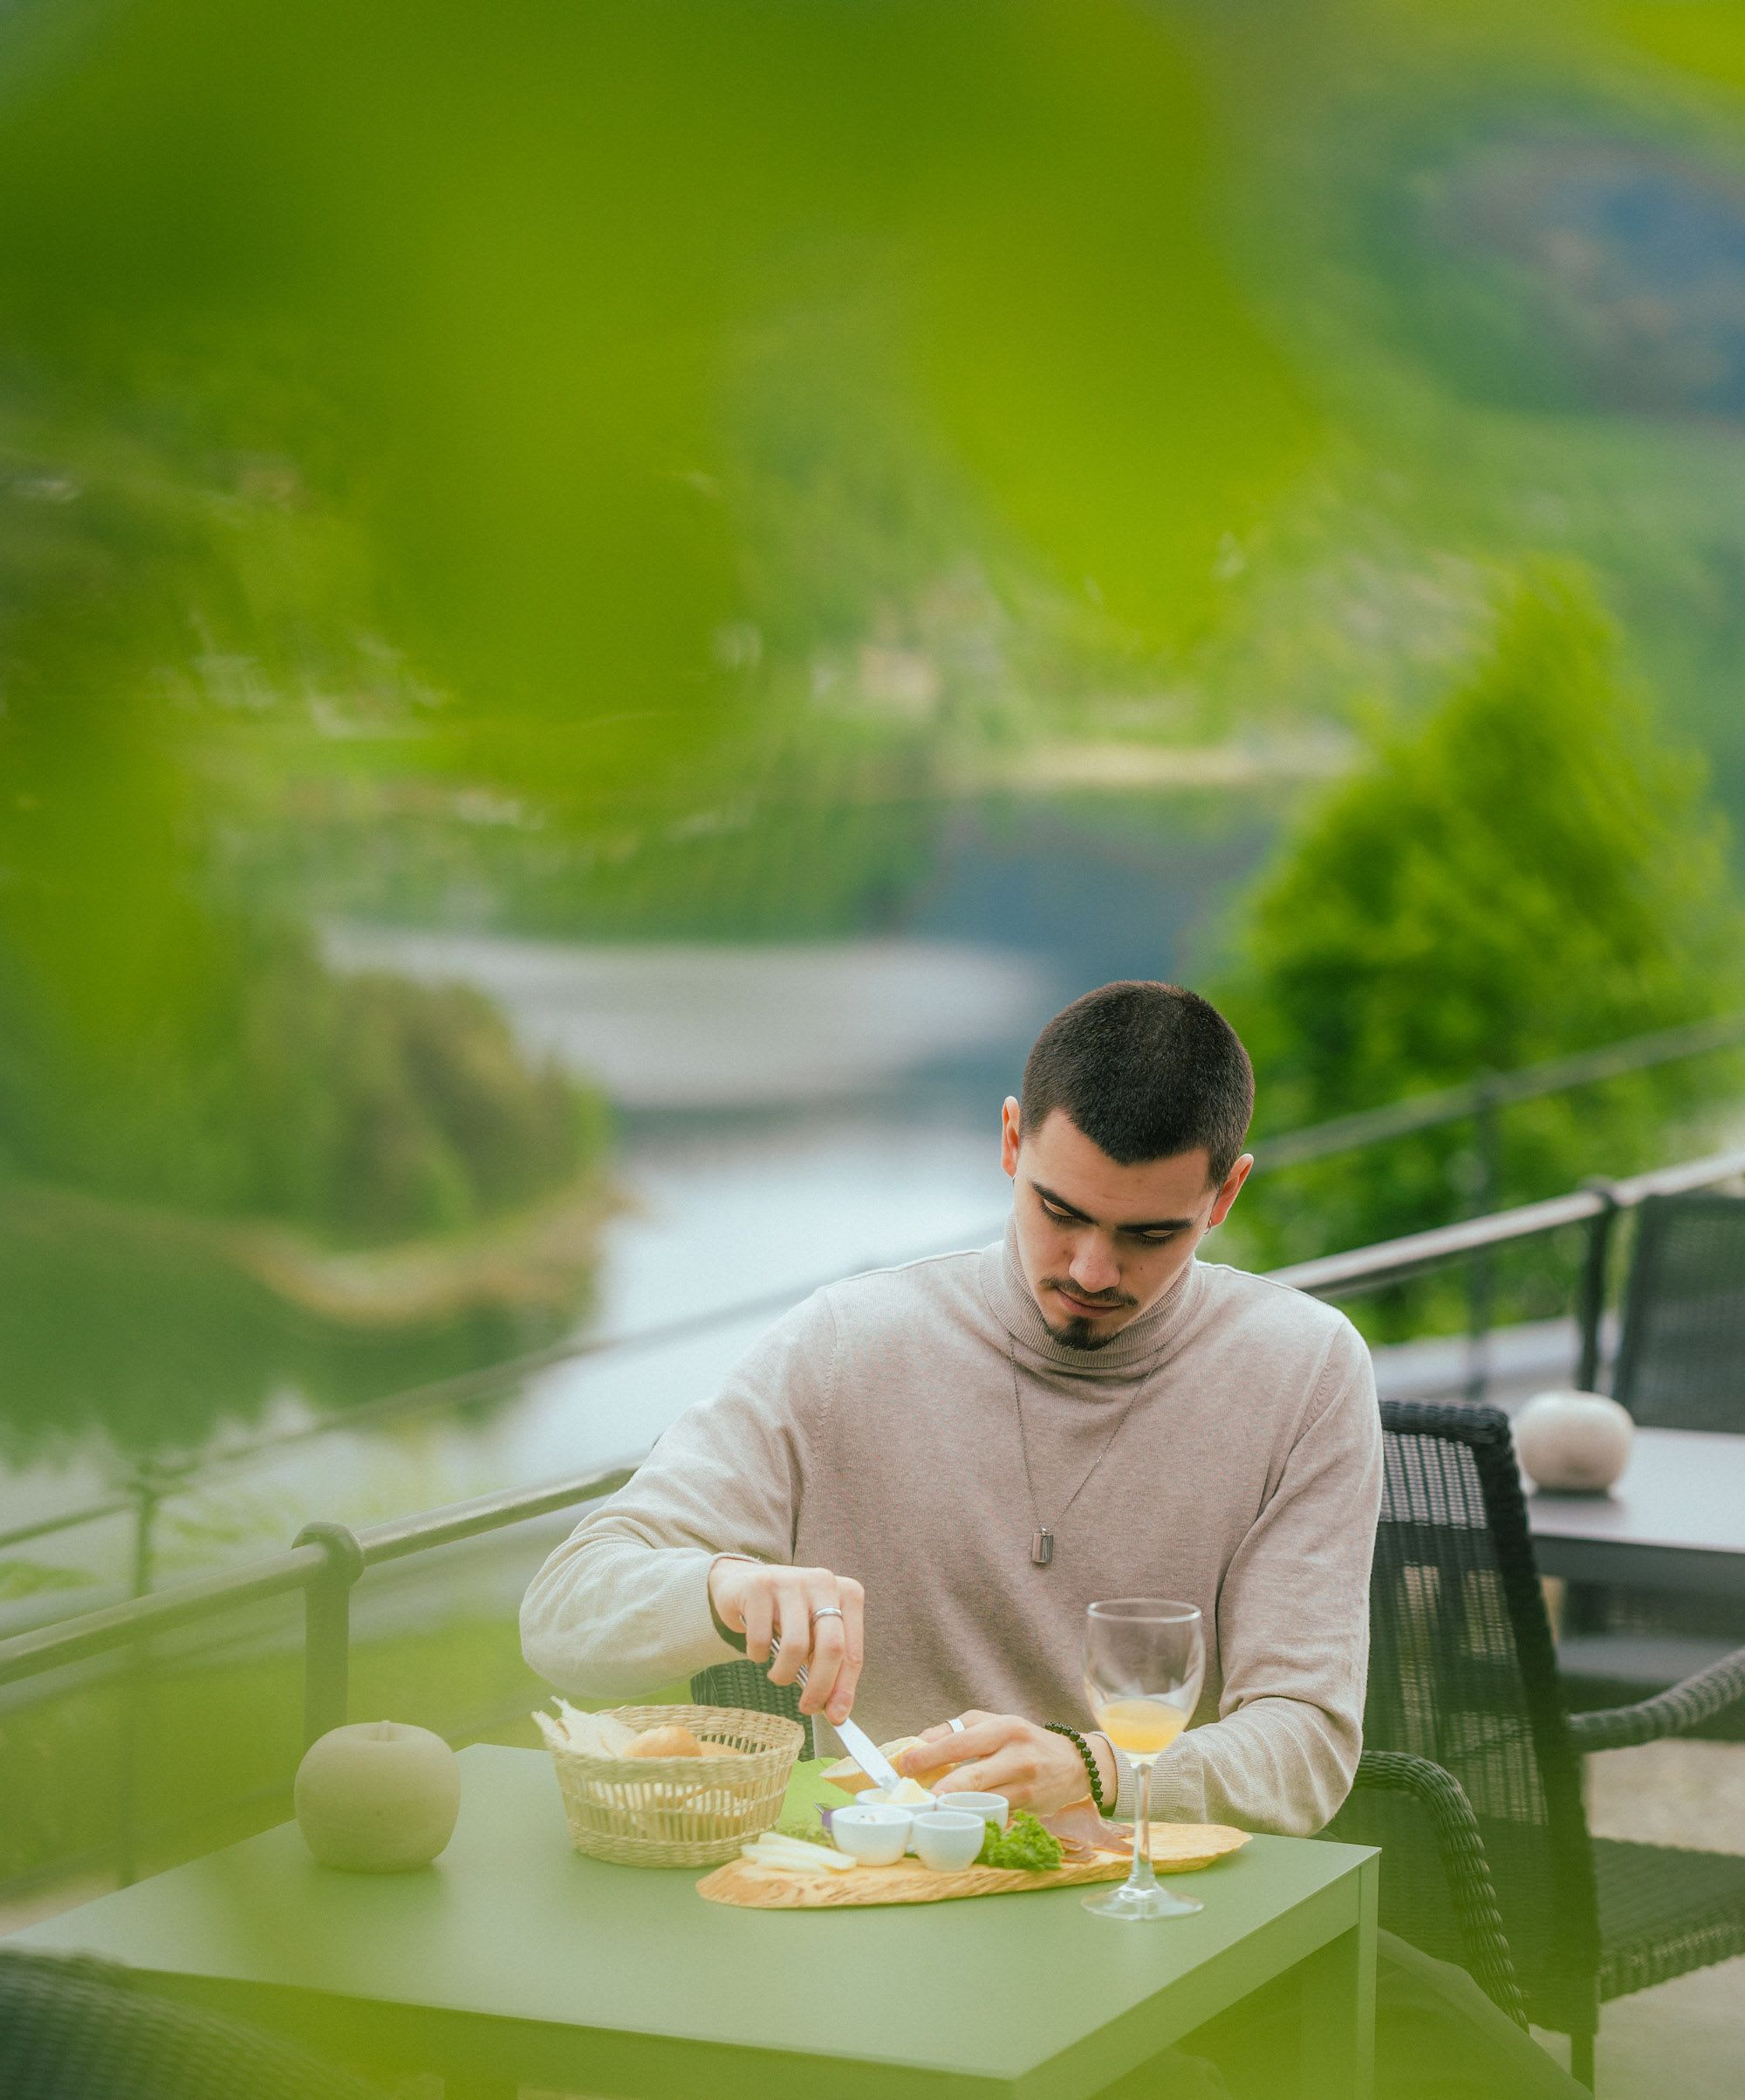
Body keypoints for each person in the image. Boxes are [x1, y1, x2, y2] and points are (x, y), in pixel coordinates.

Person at [522, 981, 1584, 2100]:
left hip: (1181, 1913)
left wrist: (1093, 1768)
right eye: (1058, 1211)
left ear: (1225, 1194)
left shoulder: (1305, 1371)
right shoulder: (846, 1345)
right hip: (900, 1924)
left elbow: (1304, 1745)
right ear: (1009, 1142)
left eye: (1148, 1234)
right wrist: (724, 1586)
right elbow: (563, 1612)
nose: (1088, 1270)